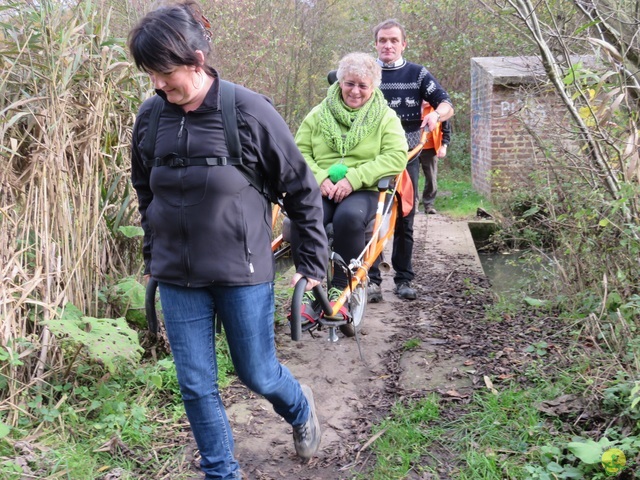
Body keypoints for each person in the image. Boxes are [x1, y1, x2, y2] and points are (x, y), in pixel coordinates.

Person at [128, 2, 327, 478]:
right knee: (195, 384)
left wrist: (312, 262)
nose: (157, 83)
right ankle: (221, 471)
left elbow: (301, 187)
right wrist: (153, 255)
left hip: (243, 271)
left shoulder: (248, 111)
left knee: (256, 373)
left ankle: (299, 410)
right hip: (178, 275)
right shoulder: (151, 116)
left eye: (164, 71)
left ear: (196, 59)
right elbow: (144, 188)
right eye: (150, 73)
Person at [292, 52, 408, 310]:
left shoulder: (385, 117)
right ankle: (311, 286)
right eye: (349, 83)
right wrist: (320, 177)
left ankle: (341, 287)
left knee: (349, 218)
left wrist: (353, 179)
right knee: (306, 216)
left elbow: (396, 157)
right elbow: (298, 153)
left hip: (364, 188)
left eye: (362, 85)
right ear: (340, 82)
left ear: (373, 87)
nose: (355, 91)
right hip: (321, 186)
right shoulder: (318, 113)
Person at [367, 19, 454, 302]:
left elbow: (446, 103)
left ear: (404, 44)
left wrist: (435, 115)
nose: (388, 45)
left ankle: (404, 279)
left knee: (405, 216)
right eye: (382, 40)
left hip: (408, 155)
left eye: (393, 40)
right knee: (372, 216)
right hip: (371, 156)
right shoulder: (367, 73)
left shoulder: (417, 74)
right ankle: (371, 281)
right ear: (376, 44)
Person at [420, 101, 452, 214]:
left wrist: (444, 146)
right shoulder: (411, 105)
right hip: (411, 147)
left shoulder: (438, 110)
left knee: (431, 178)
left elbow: (446, 129)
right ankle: (410, 206)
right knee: (410, 178)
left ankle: (428, 205)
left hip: (430, 148)